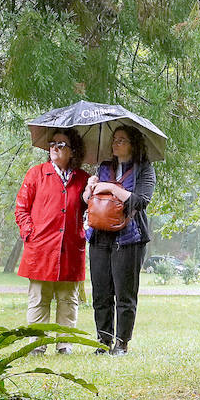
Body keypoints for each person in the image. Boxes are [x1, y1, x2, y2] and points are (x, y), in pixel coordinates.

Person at [83, 124, 157, 356]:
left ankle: (121, 343)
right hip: (99, 236)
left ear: (133, 144)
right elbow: (87, 200)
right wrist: (90, 187)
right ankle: (102, 342)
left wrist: (110, 188)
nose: (116, 143)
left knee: (125, 294)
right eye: (115, 139)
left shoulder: (144, 169)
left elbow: (141, 201)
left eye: (122, 140)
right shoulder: (103, 167)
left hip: (130, 237)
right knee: (101, 293)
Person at [14, 127, 90, 352]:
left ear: (73, 150)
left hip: (70, 248)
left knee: (68, 300)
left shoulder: (83, 179)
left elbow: (90, 211)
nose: (55, 148)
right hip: (41, 248)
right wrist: (31, 234)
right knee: (39, 298)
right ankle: (37, 344)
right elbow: (21, 209)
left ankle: (64, 345)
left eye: (61, 144)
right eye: (52, 144)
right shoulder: (36, 174)